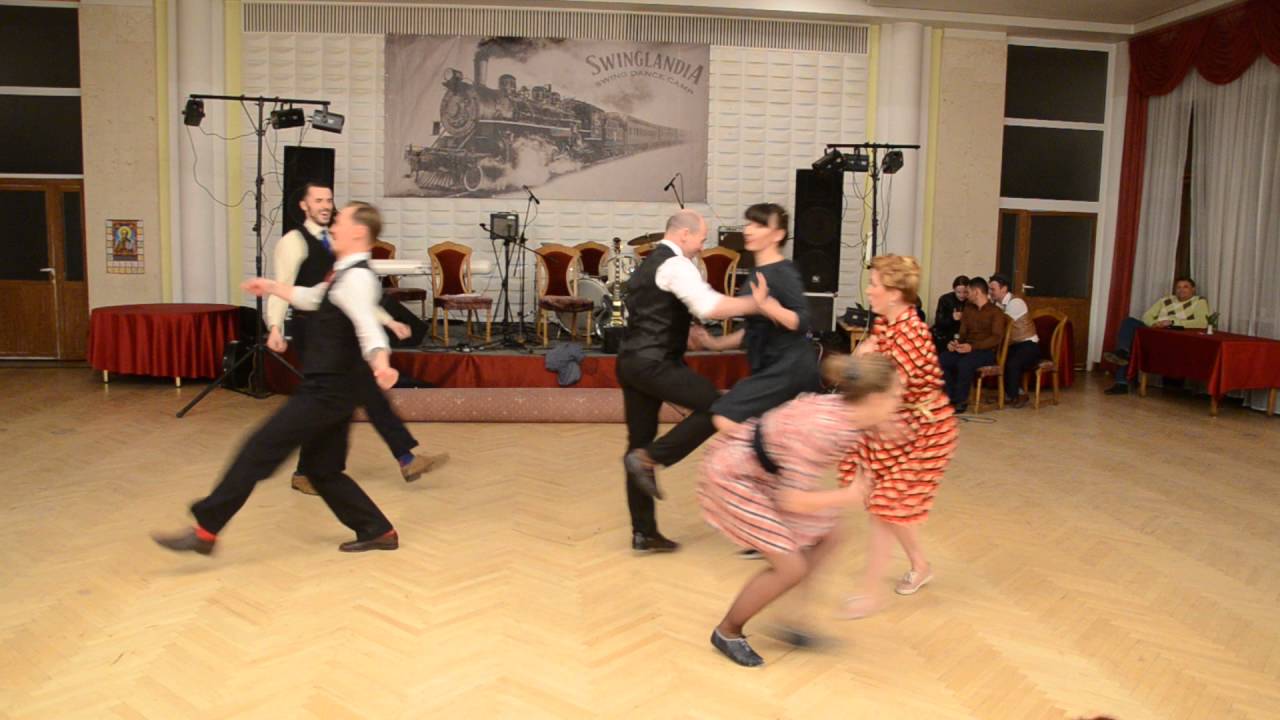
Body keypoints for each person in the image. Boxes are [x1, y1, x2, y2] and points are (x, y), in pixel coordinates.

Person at [152, 202, 402, 556]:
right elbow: (313, 297)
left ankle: (206, 531)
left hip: (325, 392)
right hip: (333, 390)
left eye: (340, 219)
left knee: (258, 450)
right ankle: (378, 530)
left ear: (359, 232)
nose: (333, 223)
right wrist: (271, 286)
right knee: (322, 468)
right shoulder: (345, 275)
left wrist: (381, 362)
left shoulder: (357, 279)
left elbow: (368, 328)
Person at [699, 354, 902, 667]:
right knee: (790, 567)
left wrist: (886, 426)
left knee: (830, 534)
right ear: (874, 399)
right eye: (895, 397)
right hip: (735, 477)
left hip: (764, 472)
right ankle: (728, 631)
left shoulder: (853, 411)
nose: (899, 403)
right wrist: (848, 495)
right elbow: (792, 501)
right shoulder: (821, 431)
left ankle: (791, 622)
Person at [270, 183, 446, 495]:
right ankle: (305, 472)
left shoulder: (335, 243)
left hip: (338, 332)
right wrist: (273, 326)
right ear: (303, 206)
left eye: (329, 200)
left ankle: (405, 458)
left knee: (371, 396)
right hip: (312, 333)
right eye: (318, 200)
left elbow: (351, 294)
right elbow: (287, 287)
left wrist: (388, 320)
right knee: (325, 402)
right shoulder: (294, 242)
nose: (326, 206)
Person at [618, 209, 763, 553]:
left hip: (631, 363)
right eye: (701, 237)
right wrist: (756, 304)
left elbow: (653, 314)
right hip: (655, 364)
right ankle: (652, 457)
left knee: (636, 442)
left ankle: (644, 533)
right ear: (683, 235)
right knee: (719, 405)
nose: (702, 244)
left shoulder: (648, 264)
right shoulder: (675, 264)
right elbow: (708, 306)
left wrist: (681, 334)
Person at [837, 255, 958, 619]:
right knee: (885, 505)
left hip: (924, 430)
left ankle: (870, 593)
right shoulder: (887, 323)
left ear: (894, 292)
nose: (869, 290)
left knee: (884, 507)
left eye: (875, 284)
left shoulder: (910, 331)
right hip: (896, 423)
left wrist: (852, 417)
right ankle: (920, 565)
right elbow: (861, 368)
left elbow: (886, 391)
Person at [690, 203, 820, 434]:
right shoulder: (759, 272)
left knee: (725, 418)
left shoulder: (781, 272)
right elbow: (754, 330)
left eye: (759, 225)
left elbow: (801, 321)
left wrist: (767, 305)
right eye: (749, 223)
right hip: (771, 366)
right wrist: (715, 343)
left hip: (788, 368)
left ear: (778, 235)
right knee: (774, 431)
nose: (749, 230)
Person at [1102, 276, 1212, 395]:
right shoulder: (1166, 300)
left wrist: (1172, 323)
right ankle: (1122, 355)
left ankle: (1122, 377)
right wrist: (1155, 323)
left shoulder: (1199, 301)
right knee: (1128, 323)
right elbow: (1147, 316)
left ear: (1193, 289)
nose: (1181, 290)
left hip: (1173, 335)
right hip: (1155, 331)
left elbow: (1202, 322)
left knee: (1128, 349)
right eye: (1178, 287)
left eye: (1185, 287)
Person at [938, 277, 1007, 413]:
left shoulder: (996, 312)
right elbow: (962, 333)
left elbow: (996, 338)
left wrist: (973, 347)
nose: (966, 295)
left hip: (985, 351)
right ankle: (949, 398)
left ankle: (960, 401)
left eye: (968, 291)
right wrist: (955, 343)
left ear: (976, 292)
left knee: (964, 364)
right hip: (967, 348)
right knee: (943, 359)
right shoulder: (968, 309)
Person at [988, 273, 1038, 409]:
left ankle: (1016, 395)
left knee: (1012, 363)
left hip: (1028, 345)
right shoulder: (996, 304)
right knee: (996, 359)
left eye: (993, 289)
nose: (990, 293)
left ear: (1004, 289)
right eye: (989, 289)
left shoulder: (1016, 303)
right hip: (1011, 345)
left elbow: (1002, 324)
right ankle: (1007, 394)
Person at [931, 275, 970, 353]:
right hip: (945, 335)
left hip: (963, 336)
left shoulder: (971, 300)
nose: (962, 295)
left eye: (965, 292)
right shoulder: (945, 299)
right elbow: (938, 322)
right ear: (954, 289)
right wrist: (952, 318)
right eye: (958, 292)